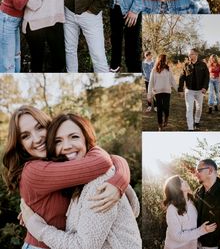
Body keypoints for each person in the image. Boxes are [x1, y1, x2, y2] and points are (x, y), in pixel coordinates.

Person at [2, 106, 131, 249]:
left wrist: (119, 181)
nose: (37, 138)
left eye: (40, 128)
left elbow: (108, 160)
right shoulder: (34, 171)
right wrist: (119, 179)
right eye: (25, 136)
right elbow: (103, 162)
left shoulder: (58, 161)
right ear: (20, 145)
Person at [163, 175, 217, 249]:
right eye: (182, 181)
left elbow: (193, 225)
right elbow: (177, 236)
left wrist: (197, 243)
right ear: (176, 188)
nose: (185, 181)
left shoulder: (192, 202)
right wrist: (202, 230)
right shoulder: (172, 209)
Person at [195, 159, 220, 249]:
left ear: (210, 171)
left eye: (199, 170)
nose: (196, 174)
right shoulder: (198, 192)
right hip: (196, 245)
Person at [178, 48, 209, 131]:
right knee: (189, 109)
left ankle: (197, 121)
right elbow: (182, 77)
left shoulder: (203, 65)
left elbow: (207, 77)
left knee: (199, 108)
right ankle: (190, 128)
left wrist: (205, 87)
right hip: (189, 91)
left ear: (196, 55)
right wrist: (180, 89)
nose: (189, 55)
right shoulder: (186, 65)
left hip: (199, 91)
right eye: (189, 54)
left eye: (191, 54)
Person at [147, 54, 177, 130]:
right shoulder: (154, 70)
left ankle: (166, 118)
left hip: (167, 91)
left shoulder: (168, 69)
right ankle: (160, 124)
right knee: (159, 109)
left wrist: (178, 90)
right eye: (165, 59)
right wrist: (149, 95)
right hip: (157, 92)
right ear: (161, 60)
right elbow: (151, 82)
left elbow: (172, 80)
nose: (166, 61)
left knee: (166, 107)